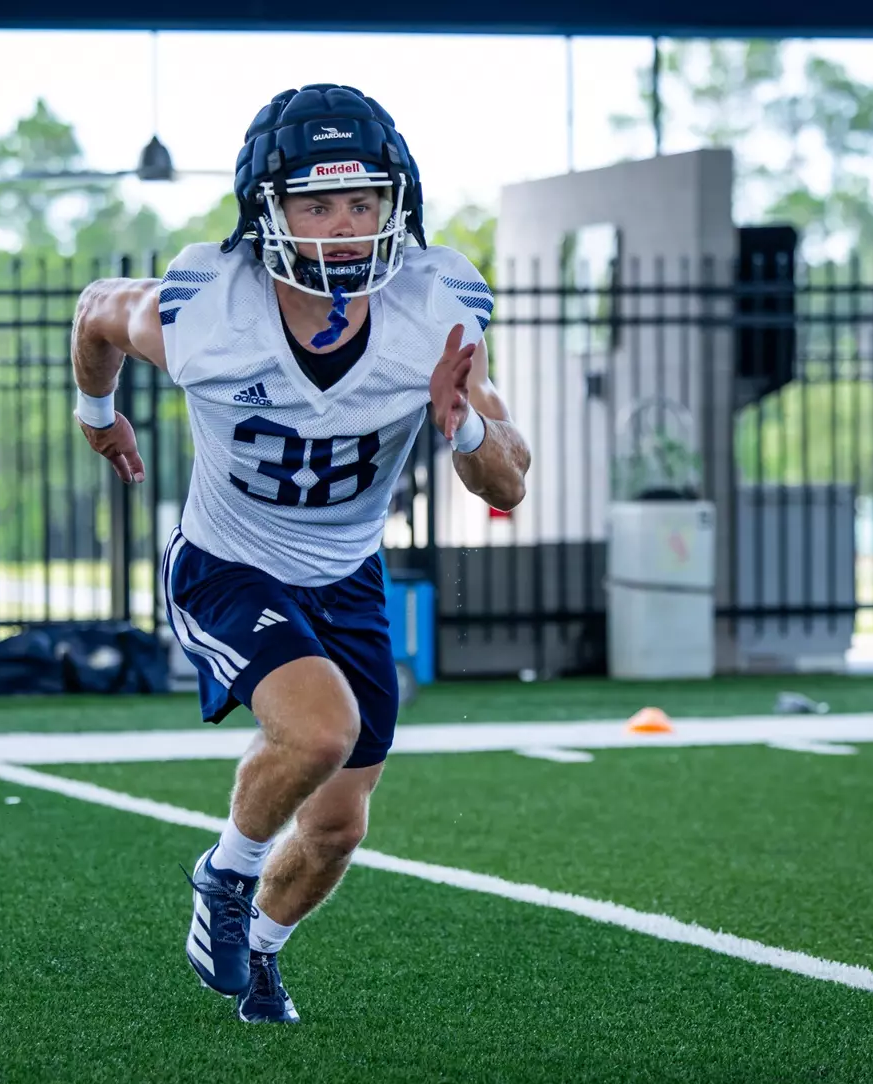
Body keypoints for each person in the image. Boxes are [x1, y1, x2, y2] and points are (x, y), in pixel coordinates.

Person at [67, 83, 530, 1023]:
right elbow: (95, 311)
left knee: (335, 827)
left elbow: (510, 483)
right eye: (315, 204)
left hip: (347, 574)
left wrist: (461, 430)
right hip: (226, 562)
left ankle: (265, 949)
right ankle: (224, 876)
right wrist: (98, 414)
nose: (342, 229)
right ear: (266, 210)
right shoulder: (207, 310)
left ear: (395, 206)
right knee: (322, 729)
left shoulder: (432, 311)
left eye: (361, 202)